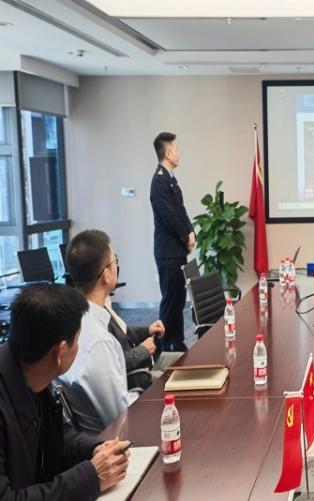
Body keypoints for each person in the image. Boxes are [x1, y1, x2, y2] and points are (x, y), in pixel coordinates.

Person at [0, 284, 131, 499]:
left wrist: (95, 449)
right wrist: (92, 477)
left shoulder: (32, 371)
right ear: (60, 352)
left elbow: (59, 435)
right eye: (77, 340)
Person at [58, 230, 139, 434]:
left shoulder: (71, 318)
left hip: (90, 438)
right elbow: (121, 418)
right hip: (111, 441)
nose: (117, 266)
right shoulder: (98, 342)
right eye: (115, 261)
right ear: (106, 275)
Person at [150, 132, 194, 352]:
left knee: (178, 299)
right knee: (170, 301)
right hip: (168, 252)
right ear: (167, 154)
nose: (178, 153)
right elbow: (169, 217)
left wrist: (191, 231)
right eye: (175, 149)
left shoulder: (170, 179)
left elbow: (180, 210)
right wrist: (185, 237)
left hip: (176, 251)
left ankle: (177, 342)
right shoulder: (159, 182)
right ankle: (162, 347)